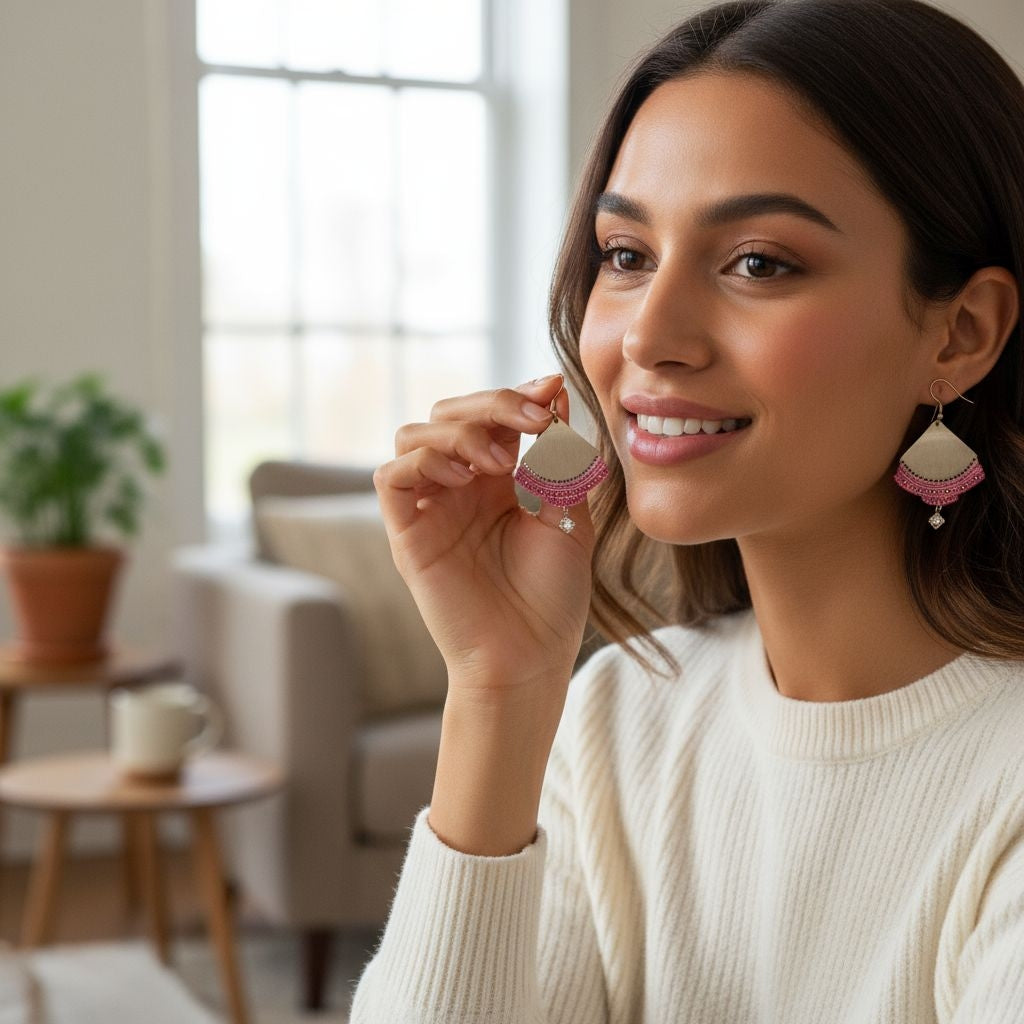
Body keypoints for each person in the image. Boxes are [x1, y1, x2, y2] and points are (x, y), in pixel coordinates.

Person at [350, 0, 1024, 1020]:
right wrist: (499, 689)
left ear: (960, 334)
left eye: (758, 262)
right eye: (626, 255)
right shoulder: (620, 715)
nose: (647, 336)